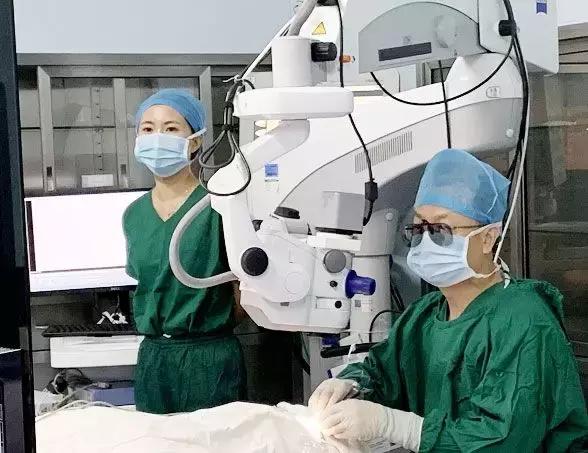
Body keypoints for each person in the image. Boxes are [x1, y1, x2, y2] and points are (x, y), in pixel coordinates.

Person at [309, 149, 588, 452]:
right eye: (419, 228)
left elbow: (504, 439)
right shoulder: (423, 316)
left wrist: (398, 426)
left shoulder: (525, 321)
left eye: (441, 229)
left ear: (487, 238)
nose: (426, 240)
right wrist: (350, 386)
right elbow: (381, 374)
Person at [123, 89, 246, 414]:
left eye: (171, 128)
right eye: (148, 128)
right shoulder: (134, 215)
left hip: (210, 357)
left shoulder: (218, 206)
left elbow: (244, 292)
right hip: (154, 358)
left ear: (194, 141)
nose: (157, 137)